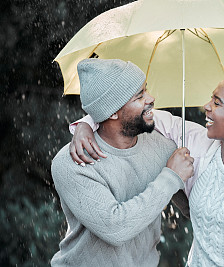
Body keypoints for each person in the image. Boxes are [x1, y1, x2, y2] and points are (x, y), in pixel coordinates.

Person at [70, 63, 224, 267]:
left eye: (217, 102)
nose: (207, 106)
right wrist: (86, 123)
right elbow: (129, 113)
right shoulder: (197, 144)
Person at [51, 58, 194, 266]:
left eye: (146, 90)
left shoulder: (163, 147)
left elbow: (195, 209)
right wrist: (171, 177)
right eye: (140, 96)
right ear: (113, 112)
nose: (151, 99)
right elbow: (116, 228)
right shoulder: (73, 163)